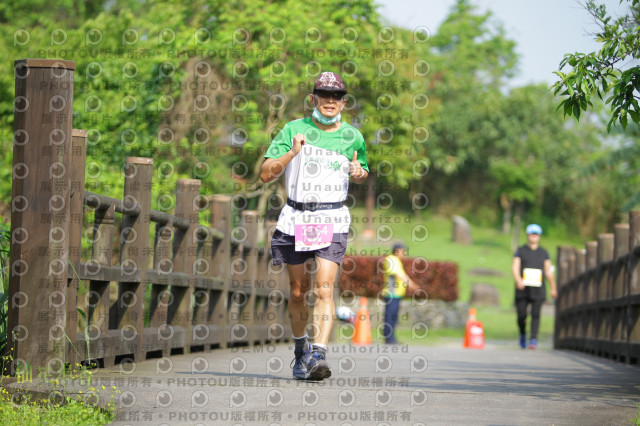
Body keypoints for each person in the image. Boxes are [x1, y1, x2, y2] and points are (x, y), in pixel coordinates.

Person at [260, 71, 369, 380]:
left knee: (323, 290)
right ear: (313, 99)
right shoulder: (293, 129)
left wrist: (359, 172)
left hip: (331, 218)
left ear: (344, 102)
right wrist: (293, 151)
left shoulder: (353, 136)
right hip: (296, 218)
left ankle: (318, 355)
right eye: (324, 94)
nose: (330, 101)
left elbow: (360, 169)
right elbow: (266, 174)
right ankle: (300, 352)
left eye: (336, 96)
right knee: (298, 292)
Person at [511, 224, 557, 350]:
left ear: (539, 236)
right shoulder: (520, 250)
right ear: (528, 235)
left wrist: (553, 287)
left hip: (538, 289)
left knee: (536, 314)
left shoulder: (544, 253)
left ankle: (533, 339)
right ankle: (522, 334)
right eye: (532, 234)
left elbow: (548, 271)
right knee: (521, 315)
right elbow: (515, 266)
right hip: (523, 289)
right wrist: (518, 279)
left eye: (536, 234)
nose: (533, 236)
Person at [380, 242, 419, 344]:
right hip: (391, 293)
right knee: (390, 316)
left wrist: (411, 284)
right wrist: (411, 284)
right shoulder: (390, 260)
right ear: (397, 251)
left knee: (393, 317)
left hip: (397, 294)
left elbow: (403, 275)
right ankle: (389, 338)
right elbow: (398, 275)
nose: (404, 253)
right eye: (403, 251)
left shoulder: (397, 261)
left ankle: (391, 338)